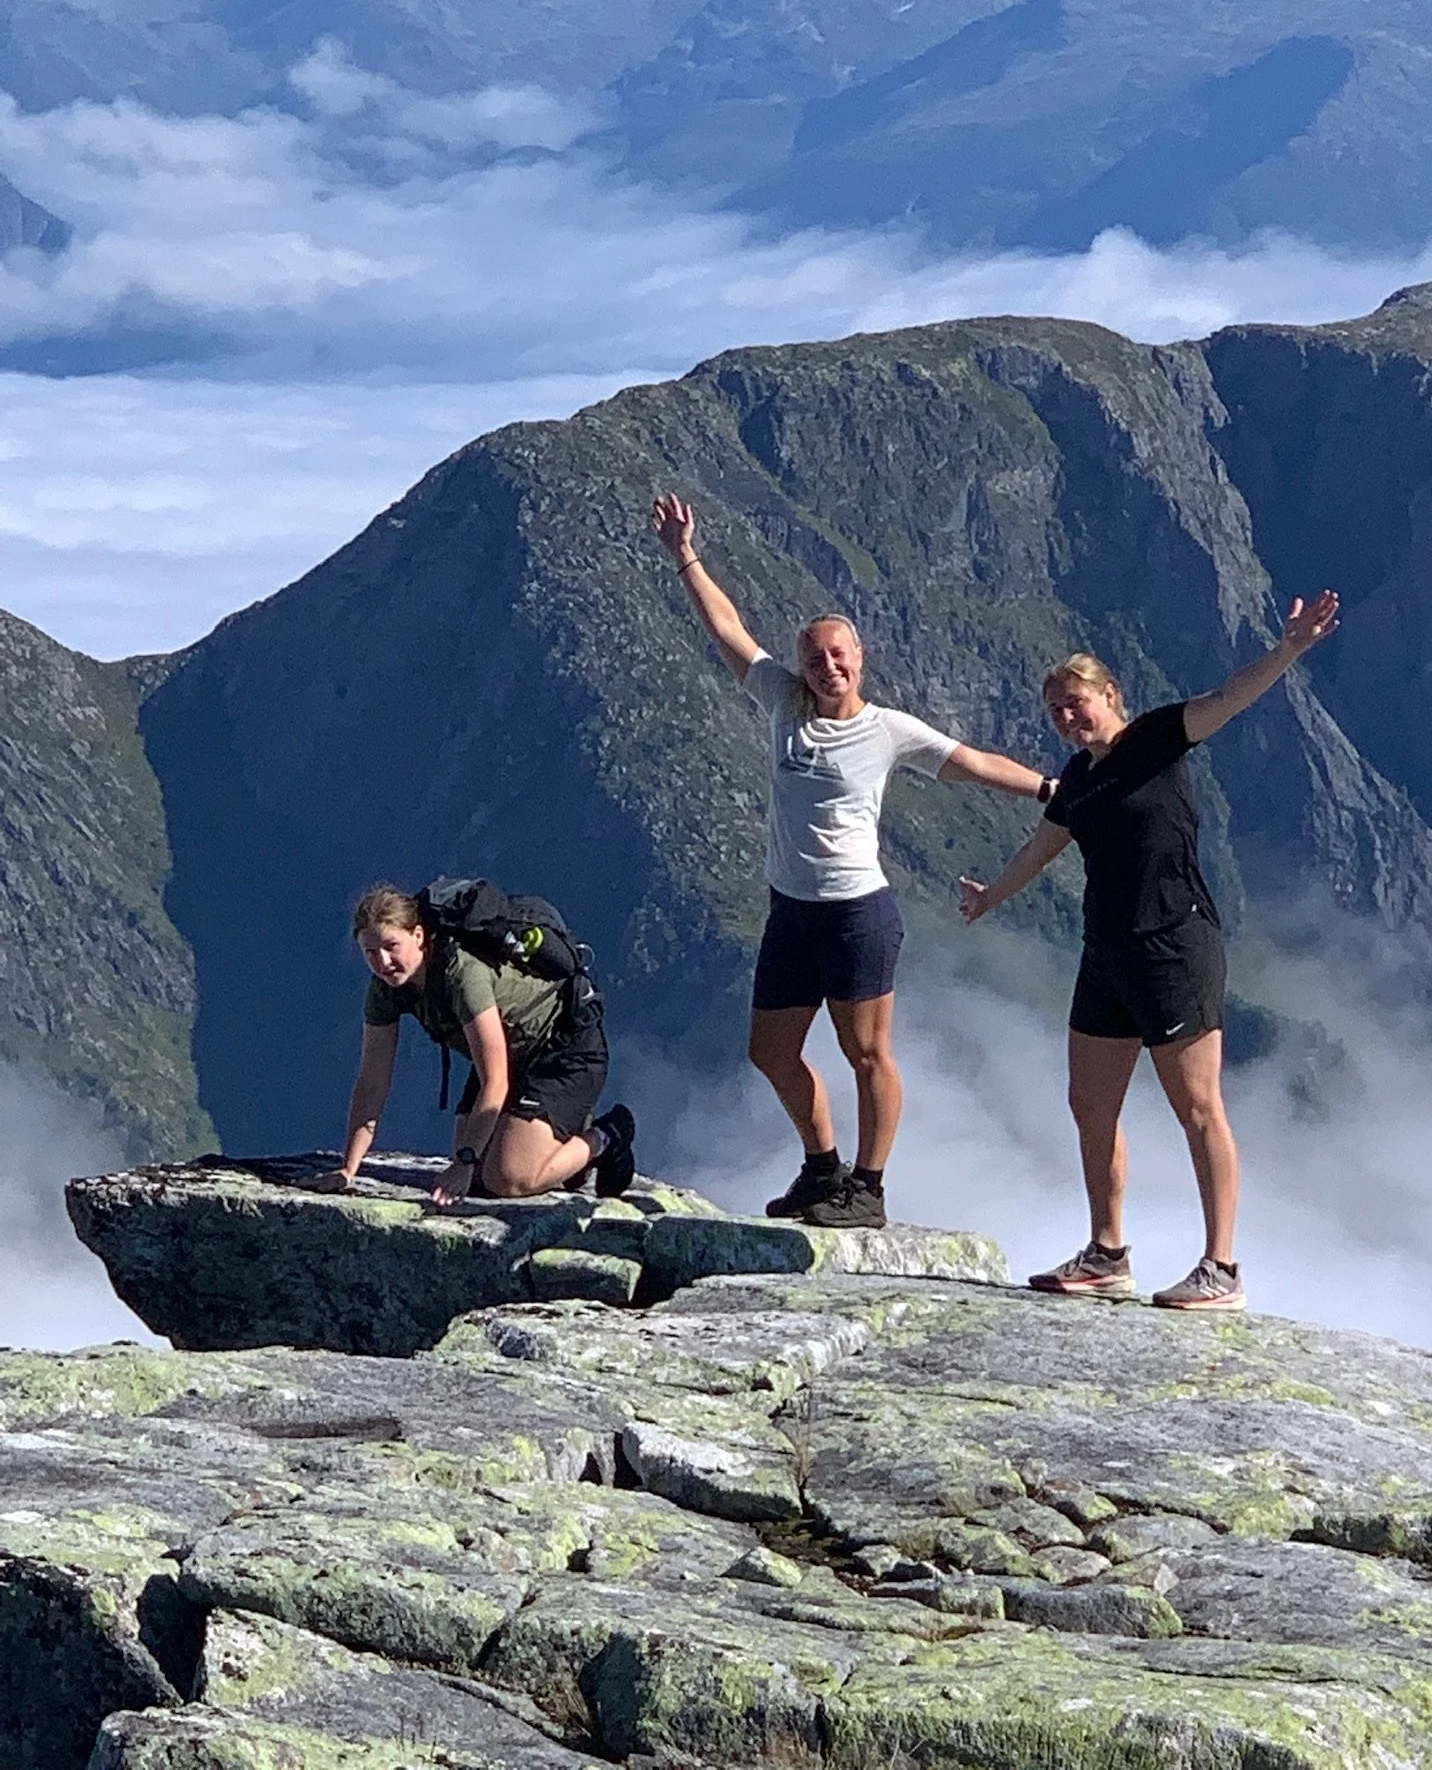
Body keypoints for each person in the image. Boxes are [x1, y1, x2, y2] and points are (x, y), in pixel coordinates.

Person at [652, 490, 1053, 1230]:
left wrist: (1053, 789)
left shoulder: (889, 731)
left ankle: (868, 1188)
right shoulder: (781, 700)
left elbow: (971, 763)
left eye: (839, 655)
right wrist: (685, 557)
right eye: (815, 658)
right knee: (771, 1051)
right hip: (790, 911)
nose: (827, 666)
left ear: (860, 660)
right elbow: (728, 629)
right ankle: (820, 1168)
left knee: (867, 1053)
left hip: (857, 914)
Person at [959, 592, 1339, 1311]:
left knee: (1197, 1107)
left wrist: (1288, 650)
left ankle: (1221, 1268)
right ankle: (1107, 1253)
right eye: (1056, 711)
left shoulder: (1160, 737)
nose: (1068, 718)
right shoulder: (1078, 778)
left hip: (1175, 945)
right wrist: (989, 898)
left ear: (1110, 695)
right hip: (1106, 951)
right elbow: (1044, 847)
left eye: (1077, 702)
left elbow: (1230, 697)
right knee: (1089, 1104)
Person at [307, 885, 633, 1206]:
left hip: (564, 1052)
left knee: (507, 1177)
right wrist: (348, 1169)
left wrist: (464, 1161)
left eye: (391, 946)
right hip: (511, 1055)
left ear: (418, 936)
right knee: (479, 1177)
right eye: (370, 953)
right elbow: (372, 1083)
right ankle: (563, 1131)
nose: (383, 962)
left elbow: (495, 1081)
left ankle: (608, 1135)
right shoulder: (386, 989)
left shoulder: (462, 974)